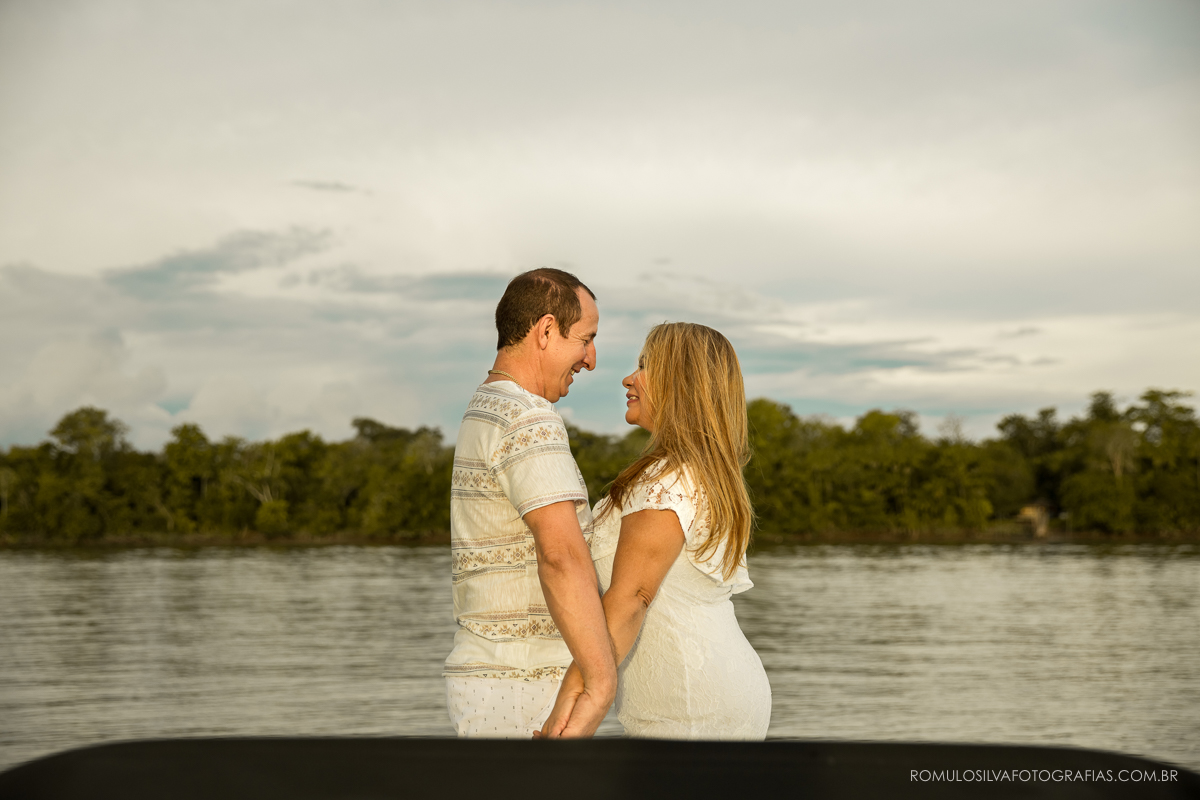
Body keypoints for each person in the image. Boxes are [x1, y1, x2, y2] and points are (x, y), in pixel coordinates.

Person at [540, 322, 771, 739]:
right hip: (714, 691)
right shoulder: (699, 474)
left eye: (646, 366)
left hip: (688, 704)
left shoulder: (665, 481)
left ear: (680, 384)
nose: (629, 378)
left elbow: (631, 599)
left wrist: (572, 705)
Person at [444, 268, 617, 738]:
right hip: (525, 687)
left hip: (492, 681)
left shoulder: (486, 407)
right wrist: (601, 683)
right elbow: (560, 555)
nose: (592, 359)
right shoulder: (527, 417)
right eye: (586, 339)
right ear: (545, 331)